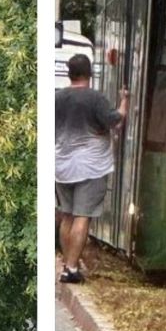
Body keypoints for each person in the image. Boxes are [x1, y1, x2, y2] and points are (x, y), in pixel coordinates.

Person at [55, 54, 128, 284]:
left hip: (62, 166)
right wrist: (124, 100)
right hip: (91, 167)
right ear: (89, 74)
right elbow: (114, 120)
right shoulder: (95, 99)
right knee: (82, 216)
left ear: (69, 74)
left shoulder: (56, 98)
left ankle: (67, 264)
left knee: (67, 216)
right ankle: (72, 268)